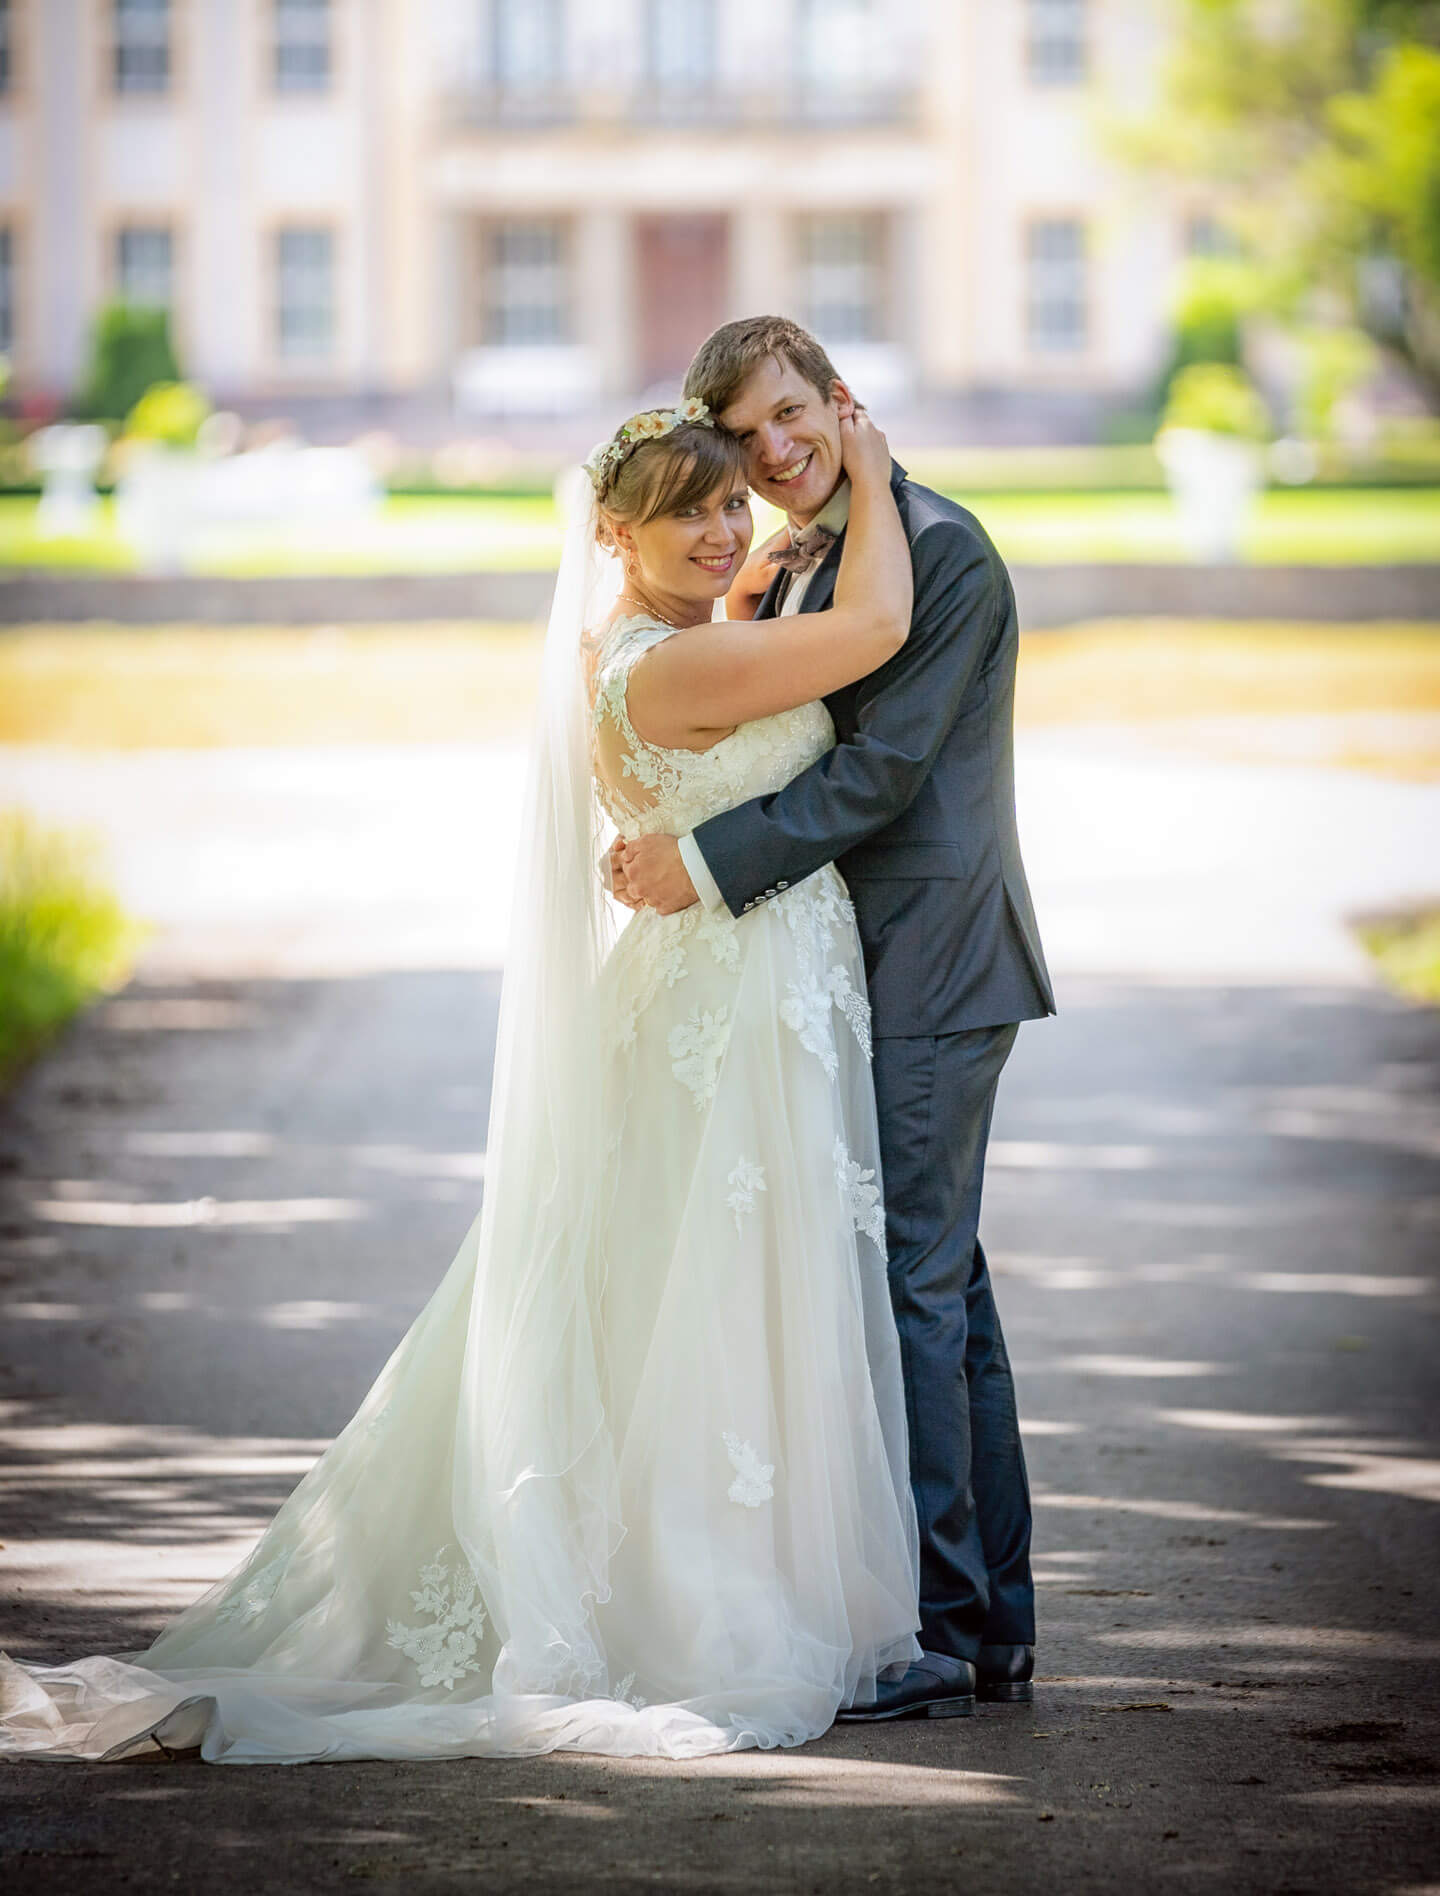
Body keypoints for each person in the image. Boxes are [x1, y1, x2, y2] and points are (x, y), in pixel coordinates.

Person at [0, 394, 952, 1766]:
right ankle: (709, 1597)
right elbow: (867, 635)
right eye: (688, 508)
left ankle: (744, 1569)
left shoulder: (644, 639)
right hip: (730, 1015)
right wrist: (859, 461)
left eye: (730, 500)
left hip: (737, 997)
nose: (723, 530)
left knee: (698, 1298)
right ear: (612, 530)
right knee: (716, 1298)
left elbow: (732, 596)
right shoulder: (675, 671)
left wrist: (744, 550)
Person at [617, 317, 1055, 1720]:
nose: (776, 449)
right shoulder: (801, 556)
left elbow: (875, 778)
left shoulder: (942, 550)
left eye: (793, 414)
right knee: (945, 1283)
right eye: (746, 436)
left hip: (930, 962)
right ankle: (987, 1620)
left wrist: (695, 864)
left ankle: (935, 1630)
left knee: (913, 1291)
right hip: (853, 968)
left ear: (841, 401)